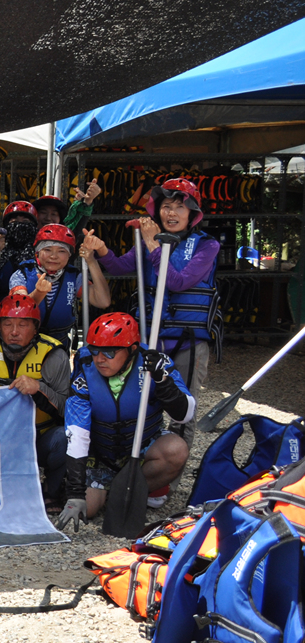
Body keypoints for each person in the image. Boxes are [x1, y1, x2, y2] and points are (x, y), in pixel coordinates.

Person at [87, 178, 219, 448]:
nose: (172, 213)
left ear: (192, 214)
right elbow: (120, 267)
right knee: (144, 398)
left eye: (180, 207)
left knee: (183, 408)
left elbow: (178, 283)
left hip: (189, 340)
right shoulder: (147, 242)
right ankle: (143, 457)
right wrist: (101, 249)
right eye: (166, 207)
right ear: (157, 210)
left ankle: (173, 471)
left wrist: (154, 246)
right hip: (150, 337)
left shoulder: (207, 246)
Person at [55, 312, 195, 531]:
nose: (100, 359)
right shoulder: (85, 367)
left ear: (132, 349)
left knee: (176, 449)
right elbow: (77, 432)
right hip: (102, 455)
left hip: (142, 448)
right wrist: (75, 493)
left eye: (109, 352)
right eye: (95, 350)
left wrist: (163, 381)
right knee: (88, 509)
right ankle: (114, 490)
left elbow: (185, 414)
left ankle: (133, 488)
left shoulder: (156, 363)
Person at [0, 292, 70, 506]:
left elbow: (67, 410)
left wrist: (39, 389)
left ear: (35, 328)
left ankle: (52, 490)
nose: (14, 332)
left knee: (65, 437)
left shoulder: (54, 354)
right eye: (7, 324)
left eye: (22, 325)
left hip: (38, 438)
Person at [10, 223, 111, 348]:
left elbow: (102, 301)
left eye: (62, 251)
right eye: (47, 250)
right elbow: (19, 312)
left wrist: (91, 261)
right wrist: (39, 293)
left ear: (69, 255)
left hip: (60, 344)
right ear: (37, 252)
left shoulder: (73, 276)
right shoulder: (22, 274)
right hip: (25, 344)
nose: (53, 256)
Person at [0, 200, 39, 293]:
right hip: (0, 300)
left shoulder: (39, 251)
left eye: (25, 221)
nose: (19, 225)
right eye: (14, 222)